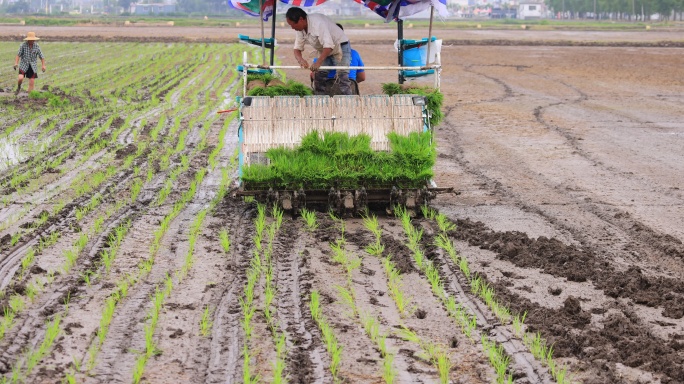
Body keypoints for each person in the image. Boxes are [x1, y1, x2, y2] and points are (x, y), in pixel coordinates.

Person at [285, 7, 352, 95]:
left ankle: (349, 103)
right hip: (324, 50)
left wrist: (318, 62)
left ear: (301, 19)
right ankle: (320, 101)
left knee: (342, 76)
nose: (292, 28)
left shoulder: (318, 23)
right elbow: (297, 49)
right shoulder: (300, 29)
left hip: (340, 45)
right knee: (319, 75)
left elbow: (329, 46)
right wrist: (301, 60)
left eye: (293, 25)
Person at [310, 23, 365, 95]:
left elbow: (314, 75)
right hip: (350, 88)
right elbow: (362, 77)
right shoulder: (354, 53)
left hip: (328, 90)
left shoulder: (321, 54)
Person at [14, 31, 46, 96]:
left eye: (33, 40)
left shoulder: (36, 46)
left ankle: (29, 96)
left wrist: (43, 65)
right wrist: (16, 63)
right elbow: (18, 55)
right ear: (28, 39)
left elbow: (41, 56)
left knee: (32, 81)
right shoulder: (23, 45)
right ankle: (19, 87)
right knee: (20, 78)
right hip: (24, 64)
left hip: (32, 66)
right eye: (30, 40)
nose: (32, 41)